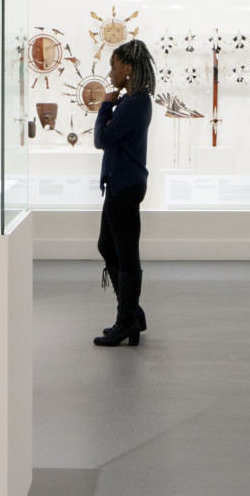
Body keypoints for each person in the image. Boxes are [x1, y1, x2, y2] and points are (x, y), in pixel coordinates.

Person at [91, 39, 155, 346]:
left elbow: (102, 139)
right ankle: (131, 313)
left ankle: (126, 320)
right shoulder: (130, 101)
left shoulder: (136, 102)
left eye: (114, 65)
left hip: (126, 185)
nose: (110, 70)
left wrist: (105, 104)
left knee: (127, 254)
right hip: (119, 184)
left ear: (127, 69)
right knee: (107, 245)